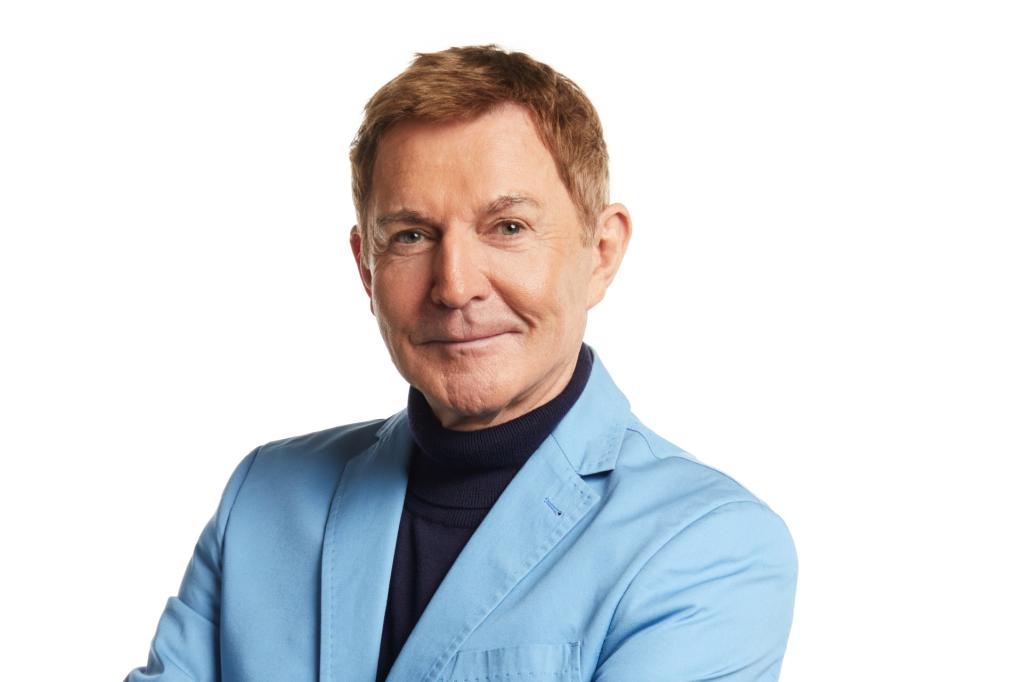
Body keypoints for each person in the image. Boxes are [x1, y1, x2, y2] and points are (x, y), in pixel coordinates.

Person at [126, 44, 797, 682]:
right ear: (366, 267)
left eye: (507, 228)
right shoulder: (263, 497)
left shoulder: (709, 546)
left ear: (600, 252)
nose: (454, 286)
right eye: (412, 236)